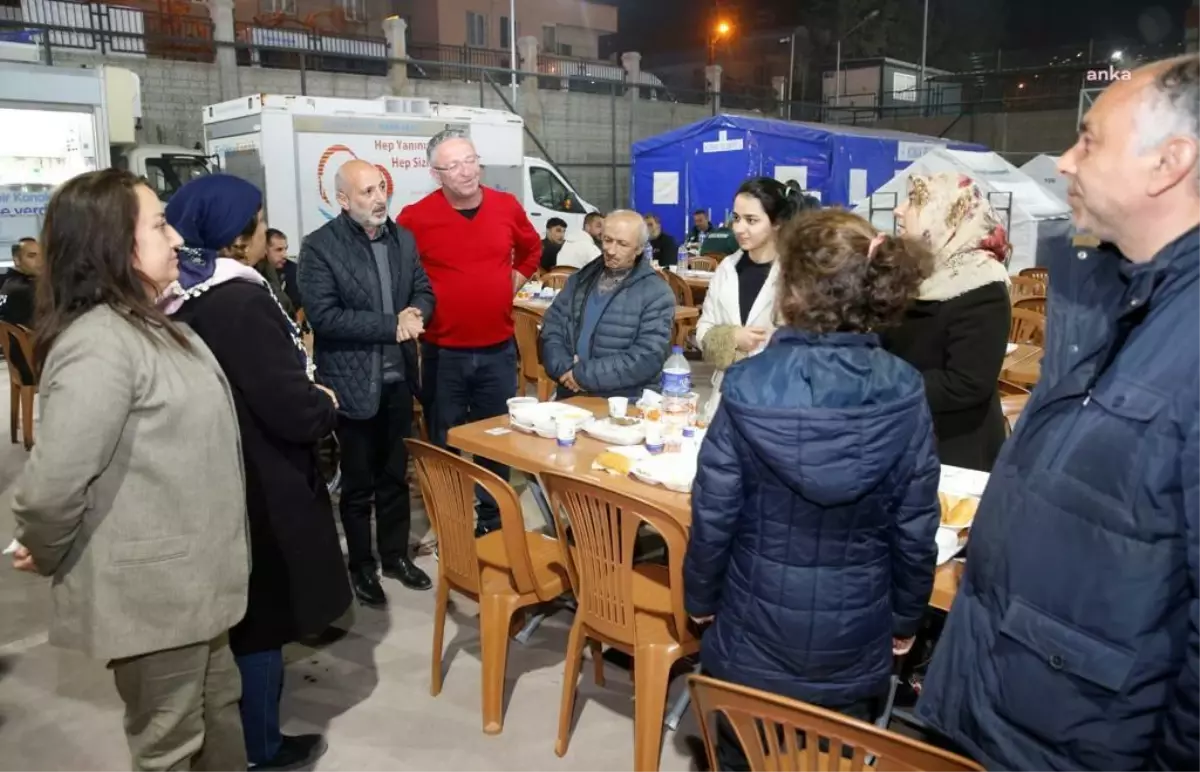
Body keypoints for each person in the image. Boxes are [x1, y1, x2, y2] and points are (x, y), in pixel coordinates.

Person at [916, 55, 1200, 771]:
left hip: (1084, 736)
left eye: (1090, 141)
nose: (1066, 162)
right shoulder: (1106, 296)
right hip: (1001, 699)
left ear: (1170, 163)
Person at [10, 169, 249, 771]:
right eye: (160, 225)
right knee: (168, 745)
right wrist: (45, 546)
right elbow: (52, 486)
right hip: (155, 596)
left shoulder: (151, 324)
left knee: (219, 717)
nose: (175, 240)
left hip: (195, 589)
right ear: (113, 245)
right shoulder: (100, 344)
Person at [684, 209, 939, 771]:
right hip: (855, 635)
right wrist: (905, 619)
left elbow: (714, 512)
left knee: (740, 757)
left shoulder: (750, 383)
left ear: (791, 289)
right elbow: (916, 524)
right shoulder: (905, 388)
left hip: (751, 629)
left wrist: (699, 600)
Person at [163, 175, 351, 770]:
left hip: (219, 463)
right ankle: (260, 749)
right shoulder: (239, 300)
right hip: (261, 473)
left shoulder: (181, 294)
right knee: (262, 617)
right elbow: (287, 403)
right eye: (259, 223)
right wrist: (323, 403)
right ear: (237, 237)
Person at [301, 159, 437, 606]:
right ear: (343, 200)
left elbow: (423, 289)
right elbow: (325, 317)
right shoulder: (320, 247)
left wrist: (418, 313)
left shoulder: (403, 239)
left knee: (395, 477)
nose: (379, 198)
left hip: (398, 381)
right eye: (367, 192)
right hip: (352, 383)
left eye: (382, 188)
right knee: (358, 484)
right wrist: (390, 326)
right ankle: (362, 567)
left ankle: (395, 556)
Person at [399, 129, 540, 536]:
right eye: (454, 165)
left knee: (495, 441)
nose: (466, 171)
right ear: (436, 173)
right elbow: (400, 270)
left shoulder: (505, 206)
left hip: (497, 350)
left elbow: (532, 250)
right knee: (444, 442)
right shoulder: (415, 217)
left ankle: (493, 523)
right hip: (443, 353)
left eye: (471, 160)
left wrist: (516, 279)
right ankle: (451, 522)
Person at [880, 172, 1012, 471]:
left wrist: (882, 383)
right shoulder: (914, 270)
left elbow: (966, 383)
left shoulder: (981, 284)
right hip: (901, 435)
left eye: (914, 202)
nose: (898, 210)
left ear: (944, 213)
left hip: (952, 450)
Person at [539, 210, 676, 400]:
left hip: (624, 403)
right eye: (607, 240)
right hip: (570, 393)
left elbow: (647, 357)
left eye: (622, 244)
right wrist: (563, 369)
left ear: (639, 249)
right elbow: (552, 326)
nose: (611, 250)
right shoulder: (580, 279)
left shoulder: (656, 293)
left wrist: (582, 375)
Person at [695, 178, 794, 418]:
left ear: (777, 223)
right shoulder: (727, 268)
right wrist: (731, 338)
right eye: (737, 218)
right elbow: (703, 329)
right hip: (725, 399)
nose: (739, 228)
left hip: (777, 402)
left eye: (751, 220)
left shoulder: (794, 272)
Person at [0, 236, 40, 326]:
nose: (40, 261)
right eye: (32, 256)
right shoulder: (25, 289)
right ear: (17, 260)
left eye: (42, 256)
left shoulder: (7, 282)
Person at [264, 227, 301, 314]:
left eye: (285, 249)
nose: (285, 255)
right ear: (264, 250)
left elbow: (301, 304)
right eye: (279, 250)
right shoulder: (254, 272)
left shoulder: (293, 270)